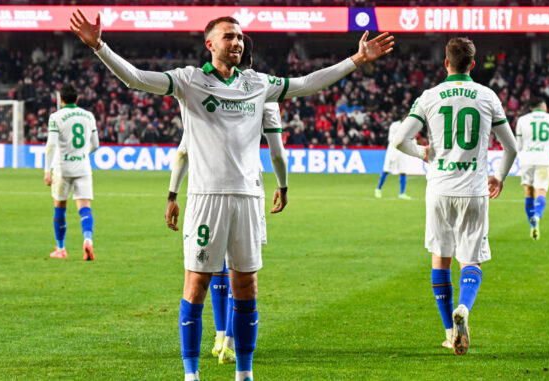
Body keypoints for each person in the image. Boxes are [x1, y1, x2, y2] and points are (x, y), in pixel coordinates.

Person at [70, 10, 393, 380]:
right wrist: (99, 46)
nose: (237, 42)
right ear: (210, 44)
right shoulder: (188, 81)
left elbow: (306, 83)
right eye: (228, 36)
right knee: (196, 284)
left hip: (249, 197)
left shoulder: (257, 82)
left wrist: (356, 59)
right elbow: (137, 79)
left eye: (240, 37)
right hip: (207, 198)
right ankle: (191, 375)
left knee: (246, 284)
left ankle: (244, 373)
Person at [166, 33, 290, 367]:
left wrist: (172, 193)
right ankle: (232, 341)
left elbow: (183, 149)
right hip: (248, 188)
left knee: (213, 267)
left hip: (209, 189)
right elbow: (277, 152)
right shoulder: (265, 94)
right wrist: (283, 185)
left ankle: (221, 334)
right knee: (244, 272)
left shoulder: (213, 88)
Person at [392, 37, 517, 355]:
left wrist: (424, 152)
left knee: (441, 260)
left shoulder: (429, 97)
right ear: (473, 64)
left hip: (439, 190)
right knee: (470, 260)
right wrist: (499, 177)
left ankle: (451, 332)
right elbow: (512, 147)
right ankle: (464, 307)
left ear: (446, 63)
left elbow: (399, 140)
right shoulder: (487, 96)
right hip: (474, 190)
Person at [43, 83, 99, 260]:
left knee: (60, 207)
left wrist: (47, 170)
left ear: (60, 100)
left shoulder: (56, 117)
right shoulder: (88, 115)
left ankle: (61, 249)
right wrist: (82, 154)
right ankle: (88, 240)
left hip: (62, 168)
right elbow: (96, 144)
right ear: (77, 99)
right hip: (83, 167)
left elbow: (51, 145)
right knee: (85, 208)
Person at [515, 97, 549, 240]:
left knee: (528, 193)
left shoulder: (522, 120)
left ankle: (533, 226)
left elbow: (519, 145)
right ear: (543, 106)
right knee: (541, 192)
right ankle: (537, 216)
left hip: (526, 160)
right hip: (544, 160)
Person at [375, 117, 412, 200]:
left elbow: (412, 139)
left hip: (403, 152)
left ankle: (402, 193)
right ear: (403, 117)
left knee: (403, 171)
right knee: (386, 170)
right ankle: (378, 189)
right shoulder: (395, 125)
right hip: (393, 151)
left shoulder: (410, 126)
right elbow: (391, 139)